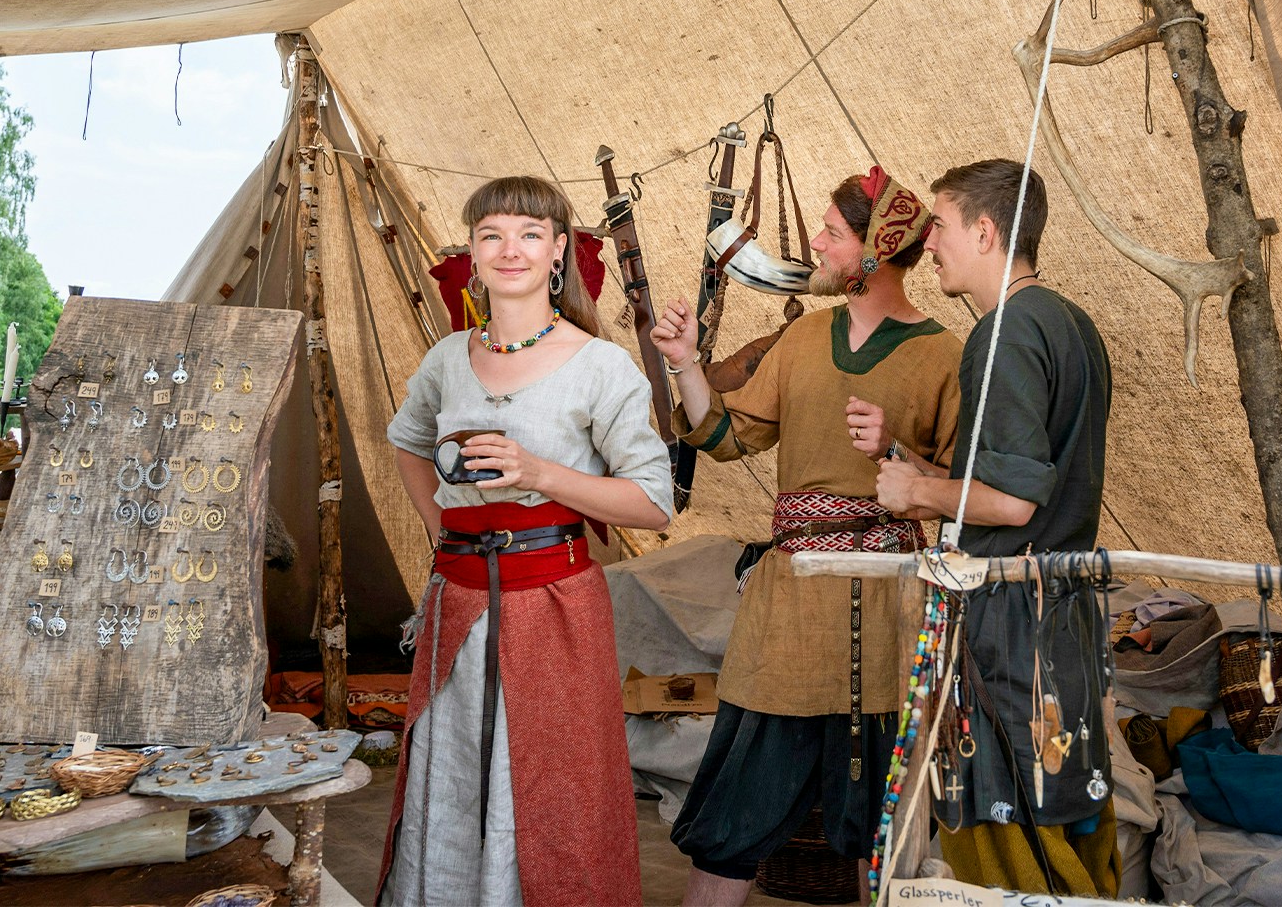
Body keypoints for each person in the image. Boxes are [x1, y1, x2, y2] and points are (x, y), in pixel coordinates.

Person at [651, 167, 963, 905]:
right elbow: (728, 436)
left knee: (882, 824)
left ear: (876, 251)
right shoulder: (804, 335)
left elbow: (960, 489)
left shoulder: (944, 356)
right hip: (789, 606)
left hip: (886, 610)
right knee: (733, 816)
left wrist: (895, 451)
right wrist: (686, 364)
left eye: (831, 233)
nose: (816, 244)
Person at [379, 176, 674, 907]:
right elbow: (408, 440)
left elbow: (653, 503)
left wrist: (540, 472)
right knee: (451, 772)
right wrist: (442, 530)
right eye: (493, 235)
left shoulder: (601, 364)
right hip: (457, 603)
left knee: (554, 784)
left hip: (554, 607)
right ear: (474, 253)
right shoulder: (448, 358)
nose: (511, 249)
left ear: (558, 252)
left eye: (530, 234)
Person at [875, 158, 1117, 896]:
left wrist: (917, 489)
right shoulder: (1071, 323)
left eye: (941, 225)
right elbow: (1031, 482)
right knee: (1066, 811)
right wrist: (922, 474)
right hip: (1060, 615)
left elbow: (1011, 505)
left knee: (1008, 831)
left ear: (984, 231)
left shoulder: (1004, 333)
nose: (929, 242)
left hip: (1011, 626)